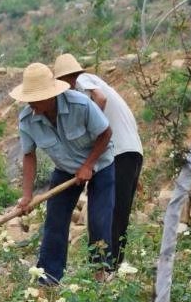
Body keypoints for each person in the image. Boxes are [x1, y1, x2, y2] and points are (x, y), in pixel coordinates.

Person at [9, 62, 115, 285]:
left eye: (35, 98)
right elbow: (29, 156)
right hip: (66, 169)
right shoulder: (27, 119)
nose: (30, 103)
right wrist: (27, 196)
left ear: (50, 95)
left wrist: (88, 165)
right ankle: (49, 277)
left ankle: (101, 276)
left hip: (100, 165)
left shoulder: (81, 105)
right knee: (55, 221)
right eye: (28, 98)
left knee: (99, 221)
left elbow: (105, 133)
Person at [53, 53, 144, 267]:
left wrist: (93, 131)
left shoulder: (81, 83)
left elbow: (100, 99)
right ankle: (113, 268)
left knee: (108, 214)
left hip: (118, 149)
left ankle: (104, 269)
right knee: (118, 213)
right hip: (132, 149)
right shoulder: (91, 81)